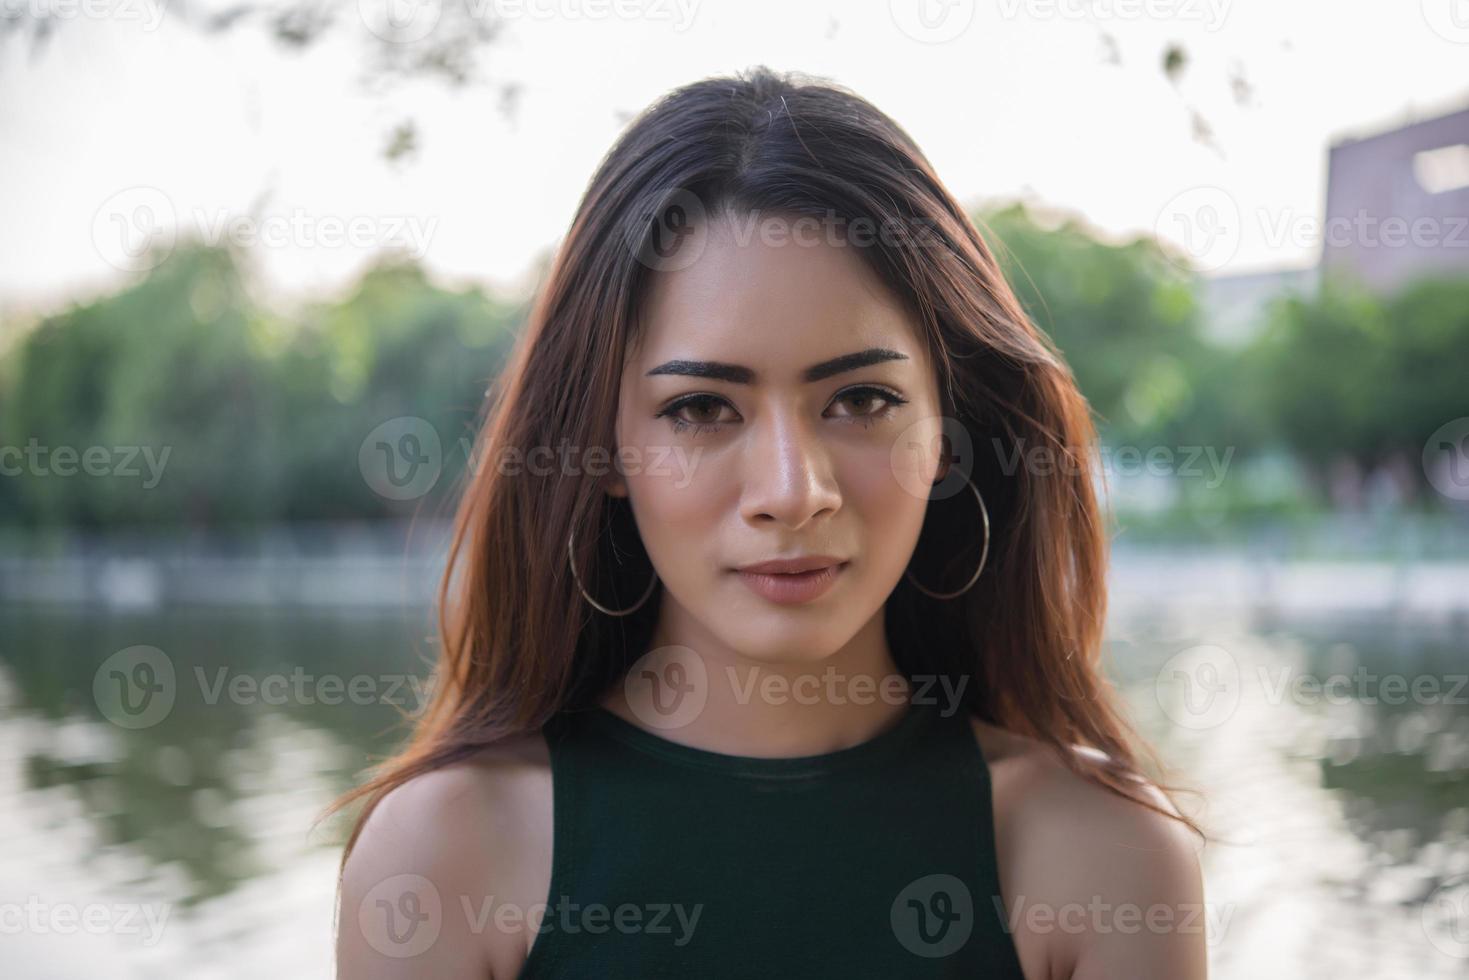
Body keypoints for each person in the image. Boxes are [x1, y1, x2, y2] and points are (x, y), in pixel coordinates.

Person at [330, 65, 1209, 979]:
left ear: (948, 434)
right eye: (703, 409)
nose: (792, 491)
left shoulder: (1105, 859)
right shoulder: (444, 857)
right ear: (603, 447)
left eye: (861, 398)